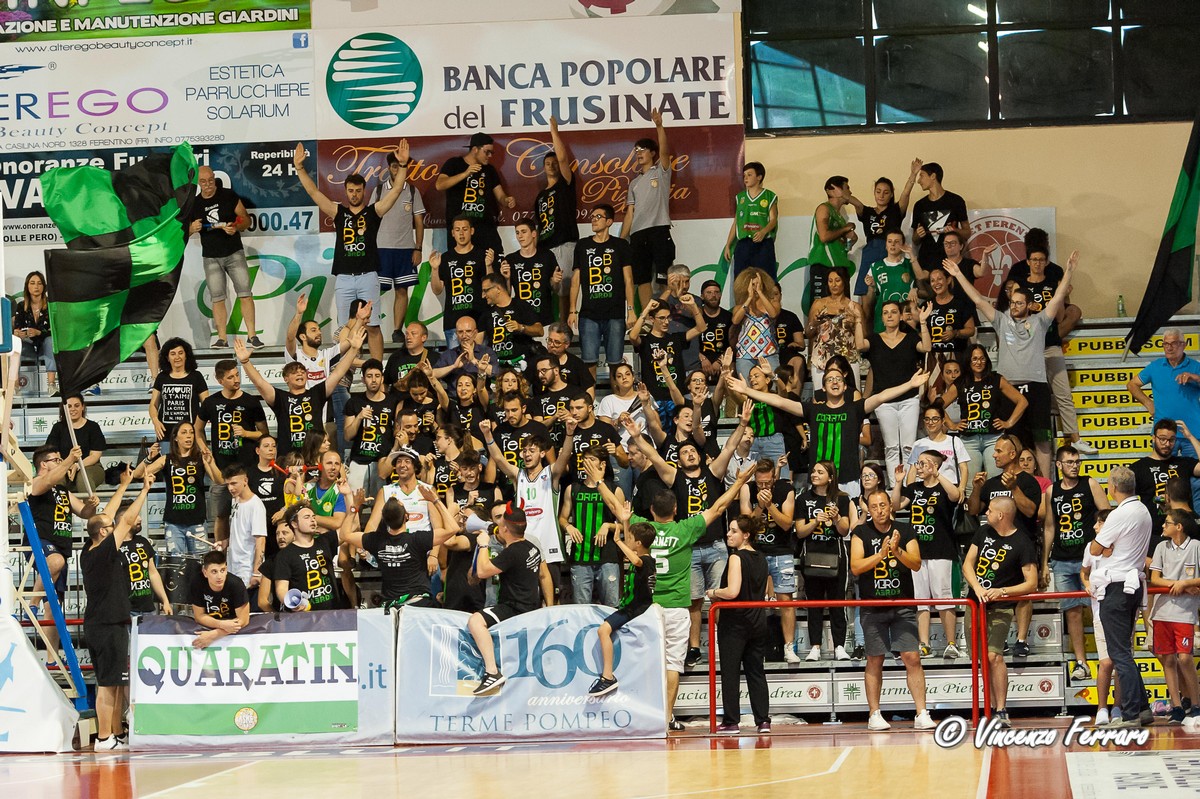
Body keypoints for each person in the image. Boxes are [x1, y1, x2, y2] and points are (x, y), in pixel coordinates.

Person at [593, 462, 756, 729]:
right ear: (676, 509)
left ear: (652, 511)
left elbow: (616, 507)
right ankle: (666, 717)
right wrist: (738, 483)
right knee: (672, 665)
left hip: (648, 609)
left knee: (646, 662)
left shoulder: (643, 528)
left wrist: (600, 482)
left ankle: (641, 713)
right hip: (677, 608)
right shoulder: (686, 529)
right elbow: (718, 508)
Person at [622, 404, 750, 666]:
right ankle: (694, 647)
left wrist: (742, 424)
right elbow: (654, 457)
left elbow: (728, 448)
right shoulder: (674, 476)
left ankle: (720, 643)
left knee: (721, 597)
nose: (689, 454)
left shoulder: (713, 472)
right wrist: (636, 436)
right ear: (678, 461)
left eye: (692, 451)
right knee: (694, 601)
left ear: (700, 456)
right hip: (688, 546)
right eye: (684, 452)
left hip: (716, 546)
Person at [944, 252, 1079, 477]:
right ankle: (1011, 481)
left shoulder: (1040, 321)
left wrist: (1070, 272)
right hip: (1008, 389)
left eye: (1019, 303)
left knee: (1042, 440)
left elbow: (1057, 298)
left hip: (1036, 386)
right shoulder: (1001, 320)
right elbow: (978, 300)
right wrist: (958, 274)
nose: (1014, 306)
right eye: (1012, 302)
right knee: (1010, 440)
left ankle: (1045, 483)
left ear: (1029, 305)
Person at [726, 366, 929, 491]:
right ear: (823, 388)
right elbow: (779, 401)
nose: (835, 382)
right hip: (818, 481)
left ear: (845, 386)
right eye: (830, 379)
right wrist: (746, 390)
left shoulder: (855, 408)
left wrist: (910, 384)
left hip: (848, 480)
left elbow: (882, 396)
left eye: (839, 379)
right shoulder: (813, 409)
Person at [295, 143, 409, 361]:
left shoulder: (374, 211)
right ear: (345, 191)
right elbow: (313, 192)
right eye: (350, 191)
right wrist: (300, 168)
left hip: (368, 276)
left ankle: (376, 368)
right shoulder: (338, 212)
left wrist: (403, 165)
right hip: (344, 278)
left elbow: (395, 191)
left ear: (364, 191)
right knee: (345, 328)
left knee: (372, 326)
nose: (354, 194)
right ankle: (345, 371)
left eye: (358, 191)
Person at [850, 489, 937, 731]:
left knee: (912, 657)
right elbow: (856, 566)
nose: (879, 510)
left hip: (902, 605)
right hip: (872, 605)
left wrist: (897, 551)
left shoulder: (905, 530)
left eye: (883, 505)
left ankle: (921, 713)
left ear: (891, 506)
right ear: (869, 509)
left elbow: (916, 564)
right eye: (874, 506)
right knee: (874, 658)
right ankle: (874, 714)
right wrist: (880, 555)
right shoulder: (860, 532)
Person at [82, 473, 152, 750]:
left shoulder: (89, 548)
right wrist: (144, 490)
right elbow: (125, 520)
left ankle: (115, 734)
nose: (114, 528)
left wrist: (123, 485)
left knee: (112, 683)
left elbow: (107, 516)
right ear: (103, 533)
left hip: (103, 623)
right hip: (108, 624)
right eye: (109, 528)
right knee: (107, 685)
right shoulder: (104, 552)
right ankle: (103, 738)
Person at [1005, 241, 1095, 455]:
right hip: (1027, 350)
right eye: (1034, 260)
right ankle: (1015, 440)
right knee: (1022, 394)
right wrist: (1031, 309)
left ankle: (1075, 439)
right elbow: (1013, 314)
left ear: (1046, 263)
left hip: (1050, 344)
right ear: (1028, 262)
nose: (1037, 263)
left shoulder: (1053, 285)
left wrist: (1049, 306)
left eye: (1041, 260)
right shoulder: (1019, 285)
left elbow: (1061, 317)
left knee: (1063, 393)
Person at [962, 496, 1039, 729]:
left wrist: (1002, 591)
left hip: (1001, 607)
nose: (986, 513)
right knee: (980, 659)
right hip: (974, 604)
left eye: (990, 510)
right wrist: (978, 588)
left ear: (1001, 515)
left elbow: (1031, 583)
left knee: (994, 656)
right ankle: (989, 709)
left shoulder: (1023, 542)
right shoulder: (983, 531)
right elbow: (967, 564)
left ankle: (1001, 710)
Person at [1039, 444, 1112, 678]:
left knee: (1100, 609)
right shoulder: (1052, 491)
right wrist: (1044, 563)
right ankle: (1081, 663)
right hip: (1061, 560)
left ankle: (1108, 658)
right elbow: (1049, 527)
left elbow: (1109, 518)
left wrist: (1105, 551)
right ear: (1059, 464)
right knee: (1072, 612)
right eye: (1070, 462)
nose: (1075, 466)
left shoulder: (1089, 483)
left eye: (1077, 461)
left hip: (1090, 559)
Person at [1090, 465, 1154, 727]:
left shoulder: (1118, 514)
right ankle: (1143, 708)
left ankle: (1130, 714)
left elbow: (1095, 549)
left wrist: (1109, 546)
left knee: (1119, 654)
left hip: (1116, 586)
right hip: (1133, 584)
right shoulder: (1143, 510)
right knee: (1124, 651)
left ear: (1113, 488)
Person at [968, 434, 1043, 655]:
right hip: (993, 546)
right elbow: (974, 510)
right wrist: (976, 488)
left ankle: (1021, 639)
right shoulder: (991, 482)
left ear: (1012, 454)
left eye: (999, 451)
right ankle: (1000, 639)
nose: (994, 455)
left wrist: (1014, 489)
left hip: (1022, 546)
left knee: (1022, 593)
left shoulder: (1029, 482)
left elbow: (1031, 512)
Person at [468, 503, 553, 694]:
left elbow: (481, 572)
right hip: (530, 605)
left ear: (506, 529)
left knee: (475, 621)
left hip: (514, 608)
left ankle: (492, 672)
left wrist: (483, 544)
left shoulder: (512, 553)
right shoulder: (532, 547)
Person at [481, 420, 574, 597]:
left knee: (552, 599)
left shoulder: (551, 474)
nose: (527, 454)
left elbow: (565, 455)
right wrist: (487, 435)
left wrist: (569, 433)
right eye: (524, 451)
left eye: (532, 450)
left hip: (549, 546)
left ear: (542, 453)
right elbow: (499, 459)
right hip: (525, 548)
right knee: (528, 597)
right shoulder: (519, 476)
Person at [235, 330, 363, 453]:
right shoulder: (280, 398)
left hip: (314, 457)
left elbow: (338, 373)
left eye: (302, 372)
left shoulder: (316, 393)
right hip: (288, 459)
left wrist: (353, 349)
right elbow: (259, 383)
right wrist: (245, 362)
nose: (300, 374)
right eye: (294, 372)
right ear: (286, 378)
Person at [342, 487, 456, 610]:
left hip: (392, 608)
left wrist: (354, 507)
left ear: (384, 520)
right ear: (407, 516)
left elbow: (344, 535)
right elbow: (453, 528)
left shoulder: (376, 540)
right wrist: (435, 501)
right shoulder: (418, 539)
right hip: (419, 605)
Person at [708, 514, 772, 734]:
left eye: (734, 531)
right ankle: (763, 721)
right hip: (758, 621)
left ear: (746, 535)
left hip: (735, 622)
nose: (728, 534)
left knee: (730, 672)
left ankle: (731, 721)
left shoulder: (736, 557)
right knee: (756, 672)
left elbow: (732, 591)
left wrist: (714, 592)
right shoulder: (762, 557)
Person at [894, 451, 961, 658]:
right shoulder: (914, 488)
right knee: (921, 599)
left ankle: (951, 643)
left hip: (941, 550)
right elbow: (895, 506)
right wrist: (898, 482)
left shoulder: (944, 486)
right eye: (918, 463)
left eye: (923, 463)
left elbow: (956, 496)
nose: (919, 467)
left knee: (943, 598)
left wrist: (938, 474)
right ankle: (924, 643)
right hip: (917, 551)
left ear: (935, 465)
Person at [196, 359, 268, 543]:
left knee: (249, 511)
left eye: (237, 375)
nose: (236, 380)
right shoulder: (210, 402)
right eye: (230, 377)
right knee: (221, 515)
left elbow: (264, 433)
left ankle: (250, 548)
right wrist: (204, 447)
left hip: (247, 468)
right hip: (221, 469)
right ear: (220, 380)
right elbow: (197, 429)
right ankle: (221, 551)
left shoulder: (251, 401)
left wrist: (246, 433)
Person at [860, 301, 932, 483]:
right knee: (891, 447)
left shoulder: (910, 338)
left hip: (909, 399)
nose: (889, 315)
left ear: (901, 316)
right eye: (885, 313)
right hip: (884, 402)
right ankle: (895, 486)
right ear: (882, 318)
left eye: (893, 312)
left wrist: (923, 322)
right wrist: (857, 320)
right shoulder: (874, 340)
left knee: (908, 446)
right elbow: (860, 346)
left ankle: (909, 484)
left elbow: (927, 348)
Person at [1129, 327, 1200, 510]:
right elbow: (1132, 384)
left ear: (1183, 344)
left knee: (1196, 482)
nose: (1169, 347)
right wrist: (1147, 403)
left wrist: (1195, 378)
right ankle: (1163, 517)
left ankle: (1195, 517)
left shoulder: (1195, 366)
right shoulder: (1155, 366)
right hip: (1165, 435)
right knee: (1162, 478)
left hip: (1192, 433)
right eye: (1165, 344)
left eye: (1173, 343)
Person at [187, 166, 257, 347]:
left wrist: (236, 226)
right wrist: (191, 228)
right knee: (217, 298)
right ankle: (222, 339)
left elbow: (246, 219)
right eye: (203, 182)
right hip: (211, 257)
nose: (208, 184)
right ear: (198, 183)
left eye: (211, 180)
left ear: (214, 178)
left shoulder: (228, 195)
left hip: (234, 253)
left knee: (245, 293)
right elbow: (182, 232)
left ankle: (252, 336)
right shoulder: (194, 204)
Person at [589, 520, 657, 697]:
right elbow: (632, 550)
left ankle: (608, 677)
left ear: (638, 543)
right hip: (629, 606)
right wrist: (625, 521)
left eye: (631, 538)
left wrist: (617, 541)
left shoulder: (646, 561)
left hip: (635, 609)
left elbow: (635, 559)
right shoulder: (643, 557)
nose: (627, 540)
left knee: (603, 630)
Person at [740, 458, 798, 662]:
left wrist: (770, 505)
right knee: (753, 602)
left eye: (767, 482)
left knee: (786, 601)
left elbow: (787, 524)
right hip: (756, 551)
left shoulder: (786, 489)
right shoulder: (747, 489)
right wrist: (759, 508)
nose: (763, 486)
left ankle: (789, 647)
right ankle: (754, 648)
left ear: (774, 477)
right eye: (760, 483)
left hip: (781, 550)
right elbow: (745, 525)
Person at [942, 344, 1027, 481]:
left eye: (982, 358)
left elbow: (1022, 401)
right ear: (968, 361)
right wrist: (952, 425)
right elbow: (937, 406)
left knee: (996, 479)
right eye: (974, 359)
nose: (979, 362)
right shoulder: (961, 382)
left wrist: (1009, 423)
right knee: (970, 483)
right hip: (969, 440)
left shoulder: (996, 379)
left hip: (993, 438)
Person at [796, 461, 853, 661]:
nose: (814, 474)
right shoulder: (803, 499)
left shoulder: (841, 498)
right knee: (814, 604)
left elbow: (844, 530)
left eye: (820, 472)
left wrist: (836, 519)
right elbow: (800, 531)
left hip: (836, 556)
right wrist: (815, 521)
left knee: (838, 603)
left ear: (830, 477)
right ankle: (815, 647)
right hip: (812, 556)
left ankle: (839, 646)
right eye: (813, 471)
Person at [1147, 508, 1200, 724]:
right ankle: (1177, 706)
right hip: (1162, 611)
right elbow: (1155, 578)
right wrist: (1178, 584)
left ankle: (1195, 704)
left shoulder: (1196, 547)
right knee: (1168, 659)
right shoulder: (1161, 547)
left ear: (1179, 527)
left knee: (1185, 658)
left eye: (1167, 522)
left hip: (1185, 613)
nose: (1163, 526)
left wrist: (1187, 583)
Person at [571, 204, 635, 377]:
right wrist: (572, 310)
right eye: (592, 216)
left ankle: (617, 394)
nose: (593, 219)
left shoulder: (621, 245)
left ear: (609, 221)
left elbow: (628, 280)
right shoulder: (582, 245)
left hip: (615, 314)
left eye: (598, 216)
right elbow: (575, 280)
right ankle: (589, 396)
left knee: (616, 365)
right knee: (589, 362)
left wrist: (631, 310)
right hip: (588, 315)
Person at [143, 422, 222, 555]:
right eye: (184, 432)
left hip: (197, 521)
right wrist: (149, 458)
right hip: (173, 522)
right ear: (175, 437)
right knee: (175, 562)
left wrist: (211, 463)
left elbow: (219, 481)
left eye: (191, 432)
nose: (189, 436)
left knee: (200, 561)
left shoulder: (201, 458)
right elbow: (139, 474)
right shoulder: (166, 459)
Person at [370, 151, 426, 341]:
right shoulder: (379, 191)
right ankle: (370, 328)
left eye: (400, 166)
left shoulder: (412, 191)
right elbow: (370, 220)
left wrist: (418, 248)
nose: (397, 170)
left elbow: (419, 222)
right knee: (374, 291)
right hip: (381, 249)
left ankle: (397, 330)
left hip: (405, 250)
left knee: (402, 290)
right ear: (389, 168)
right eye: (394, 166)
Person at [560, 446, 624, 607]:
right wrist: (568, 527)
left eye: (592, 459)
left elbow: (625, 524)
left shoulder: (614, 489)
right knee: (581, 609)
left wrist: (608, 526)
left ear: (602, 464)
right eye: (585, 459)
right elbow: (562, 518)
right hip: (580, 556)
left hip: (607, 556)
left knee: (611, 607)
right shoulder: (572, 489)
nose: (587, 462)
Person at [623, 109, 673, 308]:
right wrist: (621, 240)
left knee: (663, 279)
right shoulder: (633, 183)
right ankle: (647, 317)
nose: (639, 153)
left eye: (643, 149)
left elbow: (665, 152)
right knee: (642, 279)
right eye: (636, 150)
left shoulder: (660, 172)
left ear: (652, 153)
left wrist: (659, 125)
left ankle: (664, 315)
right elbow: (630, 213)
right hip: (637, 234)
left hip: (659, 230)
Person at [436, 132, 514, 257]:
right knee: (461, 265)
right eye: (487, 152)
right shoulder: (454, 164)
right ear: (475, 149)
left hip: (485, 228)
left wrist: (507, 200)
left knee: (494, 264)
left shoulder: (490, 170)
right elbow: (440, 185)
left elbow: (500, 195)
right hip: (461, 230)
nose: (489, 156)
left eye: (491, 153)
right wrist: (465, 174)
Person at [534, 116, 580, 322]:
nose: (552, 166)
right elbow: (539, 226)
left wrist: (554, 132)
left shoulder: (565, 184)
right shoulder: (540, 197)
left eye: (554, 163)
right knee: (548, 289)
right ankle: (552, 329)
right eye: (547, 163)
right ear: (543, 167)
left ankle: (565, 327)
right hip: (546, 246)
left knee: (564, 290)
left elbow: (562, 160)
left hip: (565, 243)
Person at [853, 162, 921, 298]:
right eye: (878, 191)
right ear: (874, 192)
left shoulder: (896, 210)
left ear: (891, 194)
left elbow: (906, 194)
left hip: (890, 252)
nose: (881, 195)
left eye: (886, 192)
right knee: (866, 292)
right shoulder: (867, 212)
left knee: (889, 290)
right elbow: (854, 201)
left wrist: (913, 174)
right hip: (870, 253)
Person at [429, 216, 497, 349]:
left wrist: (489, 265)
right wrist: (435, 269)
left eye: (465, 229)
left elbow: (491, 288)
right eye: (457, 230)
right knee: (456, 360)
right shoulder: (446, 258)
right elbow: (437, 290)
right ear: (452, 233)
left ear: (472, 231)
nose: (461, 233)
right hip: (453, 322)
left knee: (479, 359)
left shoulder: (482, 255)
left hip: (479, 320)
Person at [1131, 419, 1200, 543]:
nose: (1167, 444)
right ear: (1153, 438)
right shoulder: (1138, 468)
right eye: (1162, 439)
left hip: (1185, 531)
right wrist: (1160, 499)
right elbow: (1130, 500)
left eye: (1171, 440)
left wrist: (1190, 437)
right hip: (1154, 533)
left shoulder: (1183, 463)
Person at [1082, 509, 1120, 725]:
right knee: (1106, 663)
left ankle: (1118, 708)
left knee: (1121, 663)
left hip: (1122, 611)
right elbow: (1084, 572)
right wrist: (1087, 584)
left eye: (1099, 523)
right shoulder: (1090, 547)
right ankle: (1102, 708)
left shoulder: (1124, 548)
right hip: (1100, 611)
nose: (1095, 527)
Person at [344, 359, 400, 497]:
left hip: (382, 462)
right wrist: (359, 417)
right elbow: (347, 436)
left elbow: (397, 430)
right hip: (359, 461)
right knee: (355, 504)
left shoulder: (393, 401)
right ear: (363, 379)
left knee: (381, 504)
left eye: (377, 376)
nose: (373, 380)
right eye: (369, 376)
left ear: (382, 378)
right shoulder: (354, 402)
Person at [274, 502, 345, 612]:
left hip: (332, 614)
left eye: (313, 517)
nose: (313, 520)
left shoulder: (324, 541)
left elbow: (348, 530)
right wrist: (292, 604)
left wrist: (351, 504)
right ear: (294, 524)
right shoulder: (285, 555)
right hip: (305, 616)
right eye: (307, 517)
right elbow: (281, 588)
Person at [804, 176, 859, 315]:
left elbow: (844, 246)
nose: (850, 192)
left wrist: (851, 240)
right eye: (847, 188)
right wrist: (845, 229)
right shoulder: (824, 208)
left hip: (840, 268)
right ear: (833, 190)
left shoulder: (840, 217)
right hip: (823, 266)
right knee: (819, 314)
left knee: (843, 314)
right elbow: (824, 236)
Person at [806, 266, 864, 388]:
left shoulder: (854, 307)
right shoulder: (818, 304)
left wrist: (856, 320)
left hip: (848, 358)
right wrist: (814, 324)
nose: (833, 284)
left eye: (837, 280)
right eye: (830, 281)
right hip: (822, 358)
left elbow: (864, 335)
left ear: (844, 281)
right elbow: (808, 333)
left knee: (852, 394)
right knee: (821, 395)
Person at [723, 161, 779, 280]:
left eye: (749, 175)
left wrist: (763, 232)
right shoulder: (740, 197)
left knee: (766, 279)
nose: (746, 178)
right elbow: (736, 222)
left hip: (763, 244)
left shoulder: (769, 196)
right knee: (741, 280)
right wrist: (728, 245)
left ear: (759, 177)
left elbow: (773, 219)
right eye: (744, 175)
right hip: (744, 244)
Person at [500, 219, 561, 328]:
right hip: (522, 320)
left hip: (545, 318)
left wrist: (555, 281)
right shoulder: (510, 259)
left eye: (524, 232)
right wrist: (507, 279)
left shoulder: (547, 256)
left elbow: (555, 289)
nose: (520, 236)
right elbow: (507, 295)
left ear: (533, 234)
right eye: (517, 233)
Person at [910, 161, 970, 271]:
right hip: (926, 261)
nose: (918, 181)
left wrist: (954, 230)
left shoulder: (956, 201)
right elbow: (915, 240)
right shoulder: (919, 205)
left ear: (933, 176)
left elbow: (967, 233)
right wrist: (918, 234)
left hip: (951, 261)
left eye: (922, 176)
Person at [481, 271, 542, 373]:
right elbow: (479, 343)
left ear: (498, 288)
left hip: (522, 366)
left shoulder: (521, 306)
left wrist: (521, 327)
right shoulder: (486, 314)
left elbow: (540, 330)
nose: (483, 295)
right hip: (498, 368)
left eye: (486, 291)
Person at [189, 549, 250, 649]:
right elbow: (199, 616)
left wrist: (214, 635)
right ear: (205, 572)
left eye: (222, 570)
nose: (219, 576)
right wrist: (221, 624)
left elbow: (244, 620)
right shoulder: (197, 583)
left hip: (233, 629)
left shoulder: (236, 584)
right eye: (214, 572)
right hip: (210, 624)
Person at [46, 394, 106, 494]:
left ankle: (89, 504)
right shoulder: (58, 427)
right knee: (57, 478)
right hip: (64, 465)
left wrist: (77, 466)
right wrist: (66, 466)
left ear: (83, 407)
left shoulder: (93, 427)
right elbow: (54, 453)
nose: (73, 409)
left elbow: (95, 455)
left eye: (77, 405)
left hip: (90, 466)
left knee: (83, 478)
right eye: (69, 406)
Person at [861, 230, 918, 334]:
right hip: (883, 321)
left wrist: (915, 289)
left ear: (903, 244)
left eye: (897, 241)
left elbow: (923, 284)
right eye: (890, 241)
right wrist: (872, 287)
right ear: (886, 245)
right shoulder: (875, 267)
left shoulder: (910, 265)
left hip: (906, 321)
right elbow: (870, 301)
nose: (893, 244)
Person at [731, 267, 782, 380]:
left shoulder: (773, 303)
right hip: (745, 355)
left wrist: (760, 292)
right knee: (746, 386)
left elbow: (773, 314)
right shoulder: (740, 307)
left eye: (758, 284)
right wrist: (749, 298)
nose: (755, 287)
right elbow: (735, 320)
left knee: (772, 385)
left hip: (769, 353)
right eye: (753, 285)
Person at [905, 401, 970, 488]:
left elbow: (964, 468)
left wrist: (961, 489)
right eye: (927, 419)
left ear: (943, 421)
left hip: (950, 487)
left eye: (935, 419)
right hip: (925, 489)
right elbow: (912, 471)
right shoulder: (918, 444)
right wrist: (910, 491)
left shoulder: (954, 441)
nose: (930, 422)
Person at [924, 264, 977, 369]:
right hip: (933, 358)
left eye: (939, 279)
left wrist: (955, 333)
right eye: (932, 280)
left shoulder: (961, 304)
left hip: (957, 356)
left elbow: (971, 330)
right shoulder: (927, 305)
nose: (936, 283)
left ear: (948, 280)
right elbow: (919, 331)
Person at [13, 270, 55, 394]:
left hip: (45, 345)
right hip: (28, 345)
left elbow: (55, 331)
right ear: (27, 286)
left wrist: (39, 333)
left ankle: (51, 385)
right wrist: (19, 333)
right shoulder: (21, 306)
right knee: (16, 342)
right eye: (32, 283)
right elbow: (18, 328)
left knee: (50, 341)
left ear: (44, 287)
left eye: (39, 283)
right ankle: (14, 386)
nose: (36, 286)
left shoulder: (51, 305)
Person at [544, 324, 595, 396]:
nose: (551, 345)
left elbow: (589, 388)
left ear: (567, 344)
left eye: (557, 342)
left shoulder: (576, 363)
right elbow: (527, 384)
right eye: (550, 340)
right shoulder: (538, 361)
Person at [384, 321, 433, 391]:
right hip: (398, 397)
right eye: (406, 334)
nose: (408, 337)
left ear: (424, 337)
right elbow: (385, 383)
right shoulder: (395, 357)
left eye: (413, 333)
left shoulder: (434, 357)